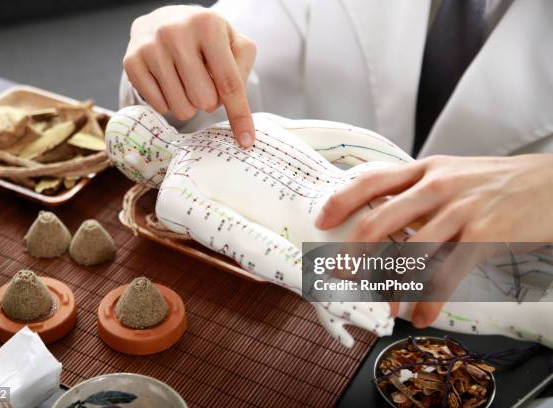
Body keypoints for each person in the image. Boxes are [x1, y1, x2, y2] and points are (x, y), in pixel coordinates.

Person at [119, 1, 553, 329]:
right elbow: (248, 242)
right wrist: (177, 54)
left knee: (498, 306)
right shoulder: (173, 193)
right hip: (331, 256)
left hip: (345, 241)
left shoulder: (179, 192)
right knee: (464, 306)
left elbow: (345, 145)